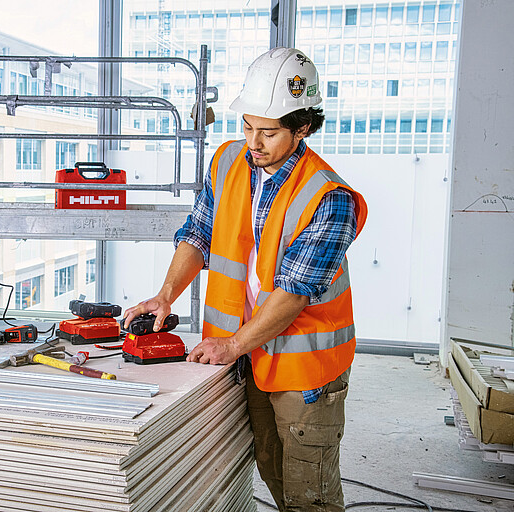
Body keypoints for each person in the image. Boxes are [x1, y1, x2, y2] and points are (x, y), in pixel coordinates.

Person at [123, 47, 368, 511]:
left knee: (308, 497)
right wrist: (165, 295)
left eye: (269, 132)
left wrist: (232, 345)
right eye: (248, 126)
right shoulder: (228, 162)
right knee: (272, 473)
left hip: (305, 372)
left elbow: (294, 294)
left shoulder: (328, 197)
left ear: (303, 128)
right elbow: (197, 233)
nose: (254, 142)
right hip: (251, 359)